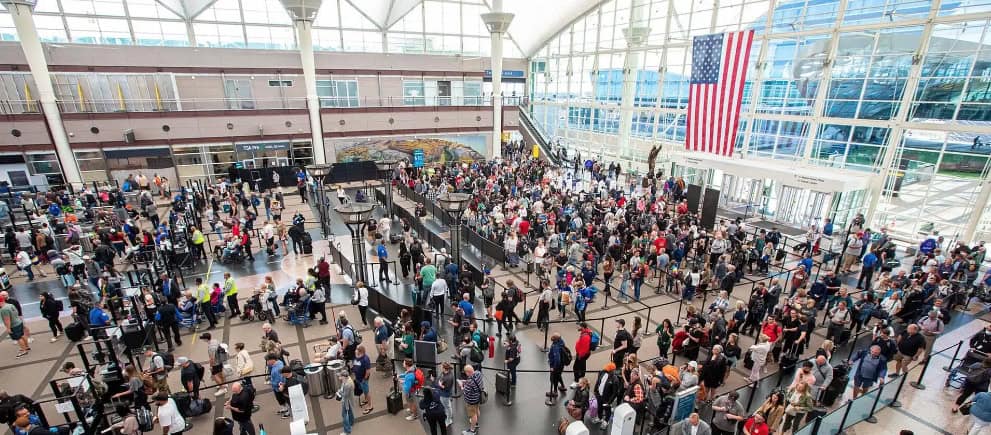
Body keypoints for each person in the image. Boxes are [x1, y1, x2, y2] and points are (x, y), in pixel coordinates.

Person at [460, 365, 484, 435]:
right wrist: (466, 381)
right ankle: (476, 423)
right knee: (477, 410)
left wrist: (461, 385)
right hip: (477, 398)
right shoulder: (478, 373)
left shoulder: (470, 382)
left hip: (471, 401)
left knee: (473, 415)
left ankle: (472, 430)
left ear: (467, 372)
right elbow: (474, 382)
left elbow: (465, 392)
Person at [352, 345, 373, 415]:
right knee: (363, 389)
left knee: (366, 391)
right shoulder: (356, 356)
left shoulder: (365, 359)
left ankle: (370, 406)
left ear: (360, 352)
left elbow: (368, 371)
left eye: (357, 350)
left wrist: (364, 379)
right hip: (358, 378)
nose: (355, 350)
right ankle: (366, 399)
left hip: (363, 379)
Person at [547, 332, 568, 400]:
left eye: (553, 337)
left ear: (555, 339)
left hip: (556, 365)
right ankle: (562, 386)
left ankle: (555, 392)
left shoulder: (555, 346)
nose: (551, 338)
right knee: (558, 375)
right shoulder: (561, 342)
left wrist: (553, 367)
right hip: (561, 364)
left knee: (554, 378)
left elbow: (557, 359)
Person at [338, 370, 356, 435]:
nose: (339, 377)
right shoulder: (348, 380)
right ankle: (351, 422)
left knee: (344, 415)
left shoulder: (347, 385)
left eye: (340, 376)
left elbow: (345, 395)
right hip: (349, 401)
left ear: (344, 377)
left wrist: (339, 392)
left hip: (346, 402)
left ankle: (347, 431)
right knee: (350, 412)